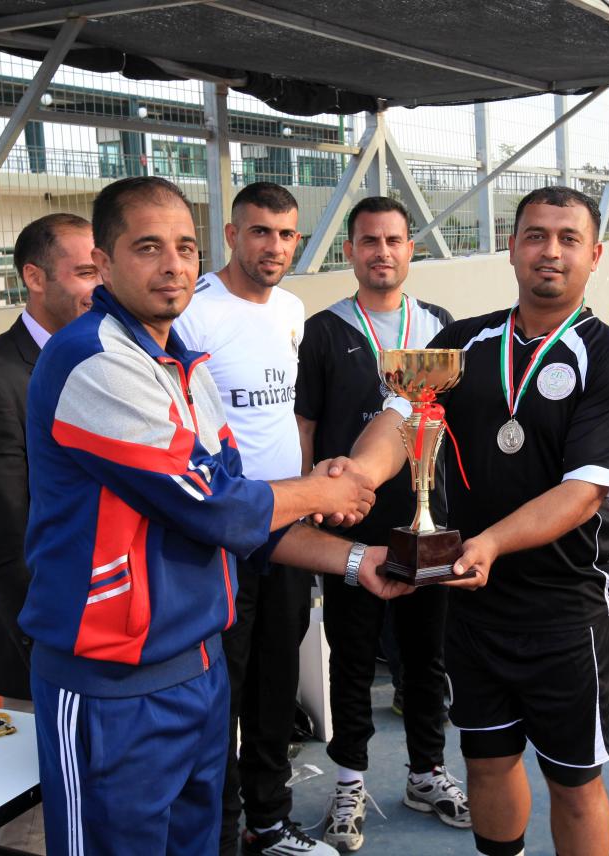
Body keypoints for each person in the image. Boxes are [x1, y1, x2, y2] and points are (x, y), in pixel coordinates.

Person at [21, 176, 409, 856]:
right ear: (105, 263)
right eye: (148, 247)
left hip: (197, 672)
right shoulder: (93, 360)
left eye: (184, 246)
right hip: (114, 685)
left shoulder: (183, 365)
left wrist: (357, 561)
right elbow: (220, 507)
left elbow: (239, 506)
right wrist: (327, 491)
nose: (172, 265)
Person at [346, 186, 609, 856]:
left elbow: (583, 494)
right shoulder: (461, 343)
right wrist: (360, 476)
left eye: (568, 239)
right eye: (535, 235)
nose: (551, 251)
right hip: (474, 604)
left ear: (594, 255)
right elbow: (400, 420)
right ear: (511, 248)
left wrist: (489, 543)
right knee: (487, 760)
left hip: (567, 609)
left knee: (573, 781)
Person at [295, 196, 467, 852]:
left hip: (427, 520)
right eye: (370, 241)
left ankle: (427, 770)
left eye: (394, 240)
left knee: (427, 657)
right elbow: (306, 425)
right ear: (351, 252)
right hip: (349, 524)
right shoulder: (324, 330)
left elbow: (453, 423)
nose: (383, 252)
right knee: (355, 658)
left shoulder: (439, 326)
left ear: (411, 250)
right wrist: (313, 497)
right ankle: (348, 781)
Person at [173, 181, 336, 856]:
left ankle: (268, 823)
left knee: (275, 684)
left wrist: (310, 493)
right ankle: (218, 828)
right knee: (223, 691)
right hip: (224, 535)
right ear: (234, 235)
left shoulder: (292, 310)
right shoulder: (195, 313)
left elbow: (286, 417)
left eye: (286, 235)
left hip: (287, 531)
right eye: (260, 232)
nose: (273, 246)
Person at [0, 212, 99, 706]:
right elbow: (2, 544)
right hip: (35, 657)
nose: (99, 288)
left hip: (103, 639)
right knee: (41, 785)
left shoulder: (104, 357)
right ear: (35, 278)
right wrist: (55, 652)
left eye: (103, 270)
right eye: (84, 273)